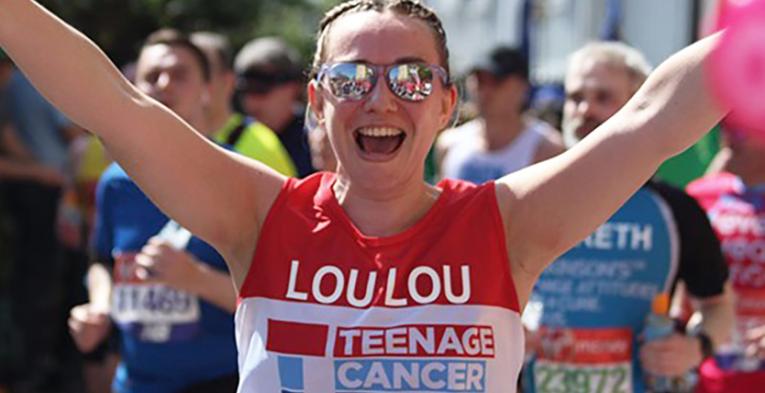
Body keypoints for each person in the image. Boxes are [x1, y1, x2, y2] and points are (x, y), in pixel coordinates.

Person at [0, 0, 730, 391]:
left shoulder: (506, 226)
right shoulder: (257, 214)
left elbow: (650, 117)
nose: (380, 98)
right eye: (351, 80)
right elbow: (116, 104)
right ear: (318, 103)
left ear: (446, 105)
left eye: (411, 79)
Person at [521, 41, 734, 393]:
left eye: (603, 97)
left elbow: (719, 305)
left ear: (638, 105)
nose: (585, 109)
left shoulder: (673, 209)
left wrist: (696, 347)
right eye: (575, 97)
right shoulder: (524, 196)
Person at [66, 30, 238, 393]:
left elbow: (281, 299)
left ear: (208, 88)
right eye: (151, 77)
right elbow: (101, 260)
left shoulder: (240, 178)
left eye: (179, 74)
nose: (164, 84)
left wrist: (197, 279)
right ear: (135, 89)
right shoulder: (115, 182)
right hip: (135, 381)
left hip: (222, 380)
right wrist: (99, 308)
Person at [686, 123, 765, 393]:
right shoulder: (699, 196)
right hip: (707, 380)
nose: (728, 135)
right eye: (725, 126)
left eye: (742, 127)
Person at [437, 46, 564, 183]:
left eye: (496, 81)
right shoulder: (449, 144)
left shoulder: (546, 149)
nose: (485, 90)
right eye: (479, 80)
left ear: (521, 87)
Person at [190, 31, 296, 177]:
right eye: (183, 74)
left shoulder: (263, 147)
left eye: (204, 74)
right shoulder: (168, 142)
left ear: (228, 82)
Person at [235, 36, 315, 177]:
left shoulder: (317, 141)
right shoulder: (233, 137)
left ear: (292, 87)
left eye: (260, 89)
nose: (251, 102)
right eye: (245, 90)